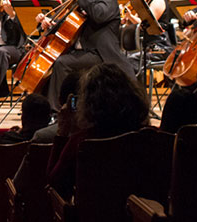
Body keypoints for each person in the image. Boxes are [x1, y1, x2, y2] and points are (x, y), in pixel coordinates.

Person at [38, 0, 135, 110]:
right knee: (52, 61)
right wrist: (49, 25)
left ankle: (56, 110)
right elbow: (66, 25)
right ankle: (46, 107)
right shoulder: (79, 1)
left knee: (62, 63)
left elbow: (98, 15)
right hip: (81, 53)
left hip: (100, 53)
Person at [47, 63, 150, 200]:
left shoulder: (82, 142)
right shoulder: (152, 137)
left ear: (89, 102)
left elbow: (53, 185)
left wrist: (62, 132)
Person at [0, 93, 52, 184]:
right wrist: (22, 132)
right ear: (48, 119)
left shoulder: (6, 141)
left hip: (2, 194)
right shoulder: (53, 142)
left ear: (23, 117)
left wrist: (11, 134)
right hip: (39, 194)